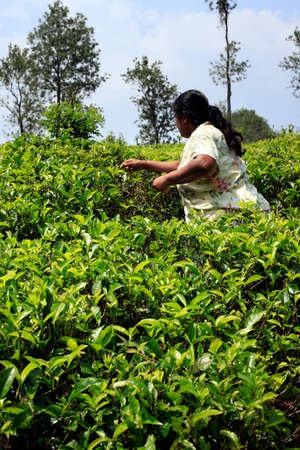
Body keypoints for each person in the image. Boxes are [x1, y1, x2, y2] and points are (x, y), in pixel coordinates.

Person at [120, 89, 270, 222]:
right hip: (249, 211)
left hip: (230, 217)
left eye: (175, 118)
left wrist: (167, 179)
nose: (176, 124)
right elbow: (185, 167)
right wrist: (144, 164)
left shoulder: (202, 133)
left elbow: (205, 164)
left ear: (184, 118)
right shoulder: (211, 131)